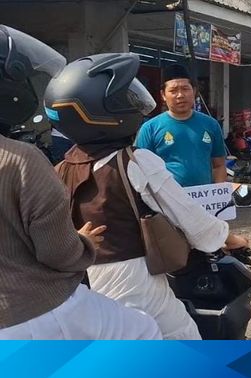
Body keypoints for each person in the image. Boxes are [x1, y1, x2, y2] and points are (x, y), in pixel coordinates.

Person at [45, 52, 249, 340]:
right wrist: (227, 238)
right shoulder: (134, 161)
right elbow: (188, 214)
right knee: (184, 337)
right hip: (133, 284)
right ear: (101, 111)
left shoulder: (62, 167)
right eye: (122, 99)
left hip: (82, 285)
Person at [0, 25, 161, 340]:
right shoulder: (21, 159)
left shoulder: (62, 164)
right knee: (146, 331)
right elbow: (57, 253)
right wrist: (83, 242)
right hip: (33, 309)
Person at [135, 64, 227, 187]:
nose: (180, 95)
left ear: (194, 91)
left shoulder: (211, 124)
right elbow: (140, 170)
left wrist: (219, 194)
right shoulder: (150, 128)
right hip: (167, 201)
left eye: (185, 89)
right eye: (173, 91)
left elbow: (219, 165)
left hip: (204, 200)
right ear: (163, 95)